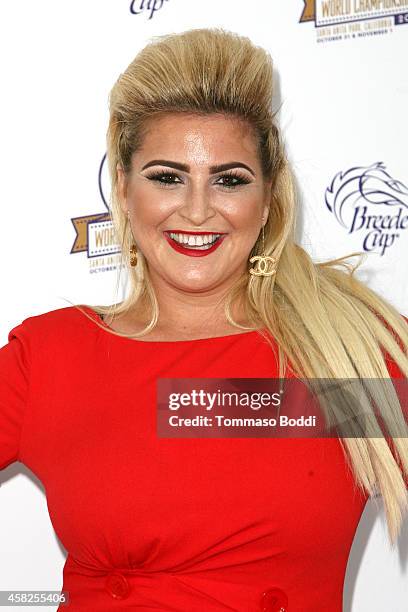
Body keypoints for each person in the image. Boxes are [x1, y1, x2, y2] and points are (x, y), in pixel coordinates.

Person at [1, 27, 407, 612]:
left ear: (268, 198)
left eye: (229, 179)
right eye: (167, 177)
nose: (197, 209)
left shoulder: (347, 349)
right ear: (123, 186)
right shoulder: (53, 357)